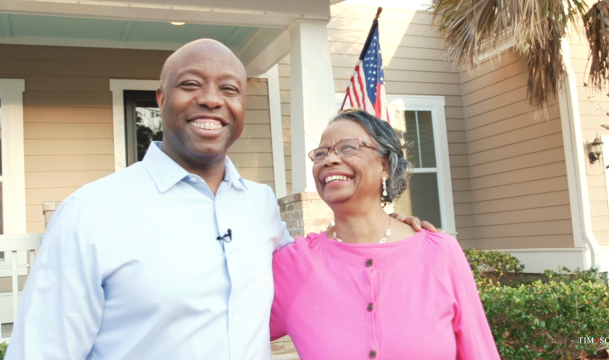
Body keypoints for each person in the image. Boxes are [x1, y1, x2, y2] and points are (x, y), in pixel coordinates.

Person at [6, 40, 433, 360]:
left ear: (242, 106)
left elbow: (328, 270)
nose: (212, 98)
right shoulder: (90, 214)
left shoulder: (259, 206)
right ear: (160, 99)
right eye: (191, 85)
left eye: (229, 89)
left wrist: (394, 231)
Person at [270, 109, 501, 360]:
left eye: (347, 148)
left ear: (385, 165)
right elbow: (228, 327)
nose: (329, 159)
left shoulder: (440, 252)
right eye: (321, 153)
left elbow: (479, 351)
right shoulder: (293, 264)